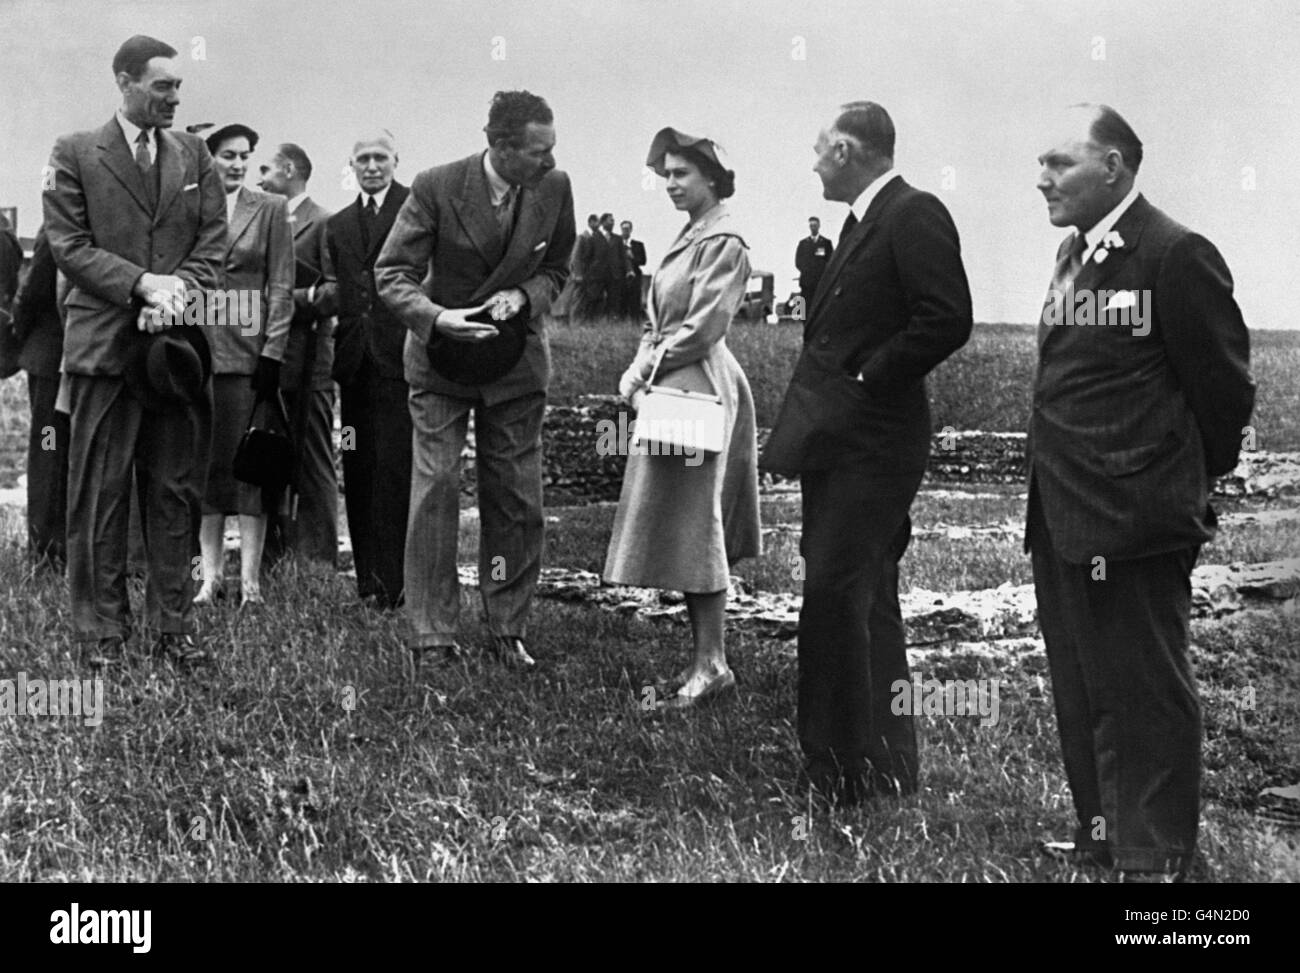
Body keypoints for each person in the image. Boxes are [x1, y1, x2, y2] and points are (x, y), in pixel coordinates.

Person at [1027, 104, 1253, 881]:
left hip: (1137, 517)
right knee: (1083, 683)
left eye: (1059, 163)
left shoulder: (1175, 254)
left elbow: (1223, 392)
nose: (1042, 179)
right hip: (1060, 515)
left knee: (1145, 687)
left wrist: (1173, 483)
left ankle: (1152, 854)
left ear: (1115, 166)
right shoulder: (1073, 253)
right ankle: (1102, 836)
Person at [762, 102, 972, 806]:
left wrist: (869, 374)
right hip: (840, 438)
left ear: (849, 149)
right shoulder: (859, 224)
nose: (814, 158)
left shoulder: (913, 213)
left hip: (875, 441)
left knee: (832, 593)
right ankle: (884, 763)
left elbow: (947, 316)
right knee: (868, 594)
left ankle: (834, 768)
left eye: (821, 147)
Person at [42, 34, 226, 667]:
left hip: (175, 352)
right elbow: (68, 245)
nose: (175, 97)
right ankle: (101, 634)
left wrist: (180, 293)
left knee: (175, 489)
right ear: (124, 82)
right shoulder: (74, 153)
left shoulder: (195, 155)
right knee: (101, 491)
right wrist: (141, 285)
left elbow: (213, 243)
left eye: (178, 86)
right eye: (162, 86)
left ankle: (173, 629)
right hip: (105, 349)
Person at [375, 89, 576, 668]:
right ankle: (432, 634)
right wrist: (437, 318)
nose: (550, 162)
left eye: (553, 149)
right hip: (442, 363)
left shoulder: (554, 188)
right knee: (436, 490)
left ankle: (506, 625)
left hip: (516, 368)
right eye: (540, 151)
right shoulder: (437, 186)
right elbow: (392, 274)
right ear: (499, 145)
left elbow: (558, 268)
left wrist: (523, 294)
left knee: (515, 496)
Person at [604, 127, 761, 708]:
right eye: (665, 174)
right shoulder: (690, 234)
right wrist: (641, 365)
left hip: (696, 386)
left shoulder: (726, 240)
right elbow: (659, 322)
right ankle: (705, 659)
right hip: (675, 381)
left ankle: (711, 662)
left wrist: (646, 374)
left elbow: (702, 327)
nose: (670, 183)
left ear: (712, 179)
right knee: (685, 521)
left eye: (681, 174)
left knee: (698, 523)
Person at [192, 124, 293, 609]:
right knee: (209, 470)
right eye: (227, 155)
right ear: (209, 158)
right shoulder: (189, 206)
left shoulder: (270, 209)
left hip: (249, 358)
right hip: (200, 354)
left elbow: (280, 284)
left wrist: (273, 352)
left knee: (249, 468)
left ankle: (250, 583)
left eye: (245, 157)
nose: (236, 164)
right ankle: (209, 579)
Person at [328, 131, 411, 609]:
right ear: (352, 165)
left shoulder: (412, 209)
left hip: (399, 360)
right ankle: (368, 583)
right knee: (359, 469)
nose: (372, 166)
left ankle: (397, 582)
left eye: (380, 157)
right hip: (355, 362)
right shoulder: (338, 225)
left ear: (395, 161)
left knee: (395, 468)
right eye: (363, 159)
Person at [258, 142, 340, 567]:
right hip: (269, 356)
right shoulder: (266, 219)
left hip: (309, 358)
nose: (259, 177)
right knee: (270, 455)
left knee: (313, 458)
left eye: (266, 168)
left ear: (289, 170)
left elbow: (335, 291)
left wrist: (284, 299)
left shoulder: (324, 222)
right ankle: (274, 554)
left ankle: (319, 558)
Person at [10, 226, 71, 570]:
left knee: (48, 451)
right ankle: (49, 545)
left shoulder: (55, 228)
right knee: (52, 449)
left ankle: (48, 546)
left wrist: (18, 323)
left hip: (50, 359)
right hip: (55, 362)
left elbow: (31, 292)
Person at [794, 216, 833, 311]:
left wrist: (822, 272)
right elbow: (798, 261)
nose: (813, 228)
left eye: (815, 225)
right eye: (811, 226)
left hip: (821, 280)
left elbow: (831, 260)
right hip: (806, 280)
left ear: (819, 226)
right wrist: (807, 271)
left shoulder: (826, 243)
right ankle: (804, 323)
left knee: (820, 305)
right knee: (806, 305)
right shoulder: (803, 243)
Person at [617, 219, 647, 319]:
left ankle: (635, 323)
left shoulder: (638, 245)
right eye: (623, 229)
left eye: (627, 229)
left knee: (634, 301)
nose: (625, 231)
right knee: (621, 302)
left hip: (635, 277)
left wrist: (633, 256)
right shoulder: (617, 245)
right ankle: (621, 324)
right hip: (620, 276)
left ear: (631, 230)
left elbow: (643, 261)